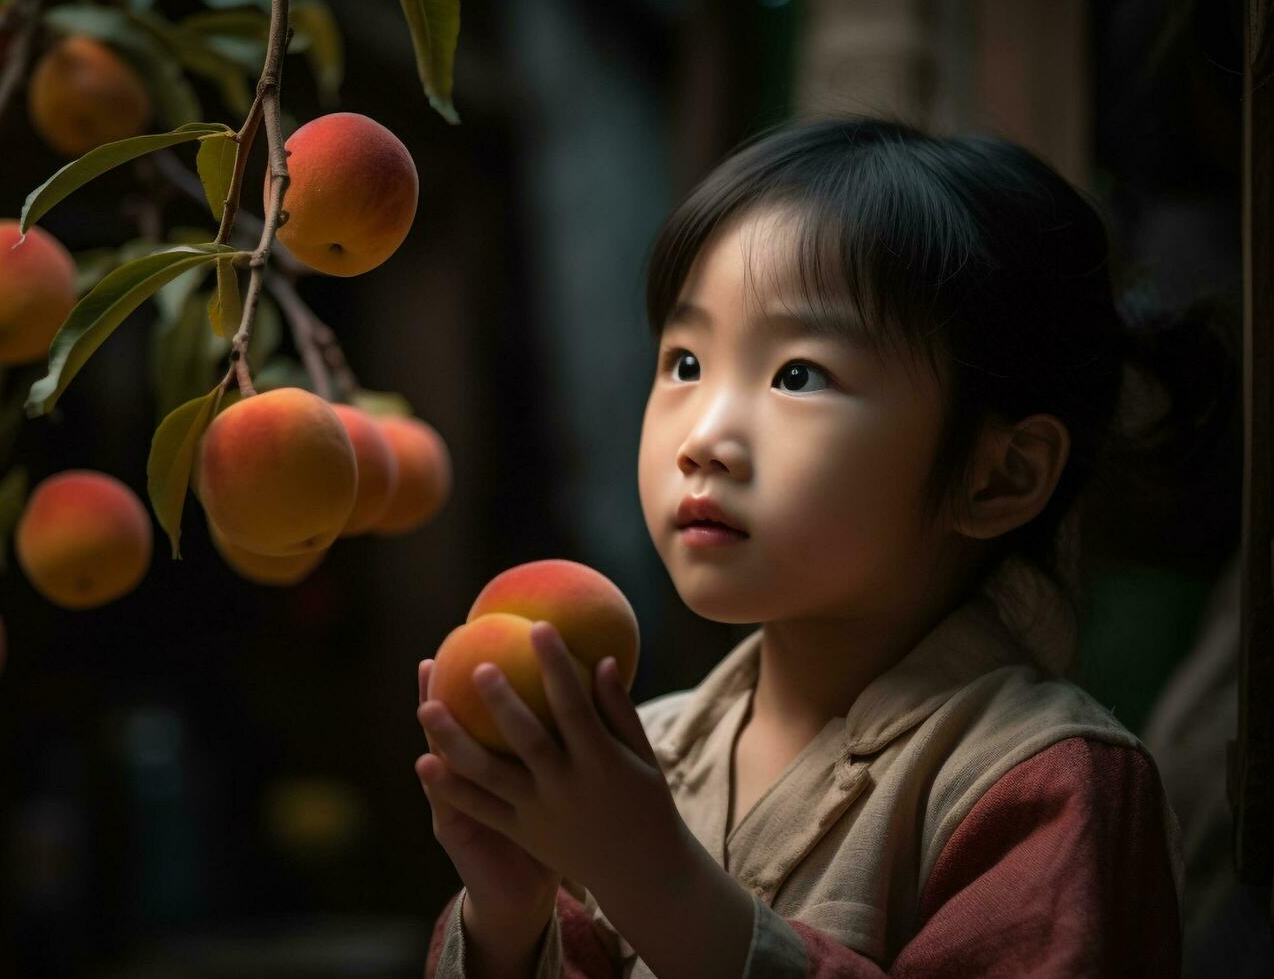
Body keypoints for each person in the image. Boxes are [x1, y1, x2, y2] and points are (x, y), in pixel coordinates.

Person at [414, 115, 1211, 978]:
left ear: (998, 477)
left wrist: (655, 882)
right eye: (684, 362)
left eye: (798, 375)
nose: (705, 438)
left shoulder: (1039, 783)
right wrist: (508, 917)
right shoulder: (637, 755)